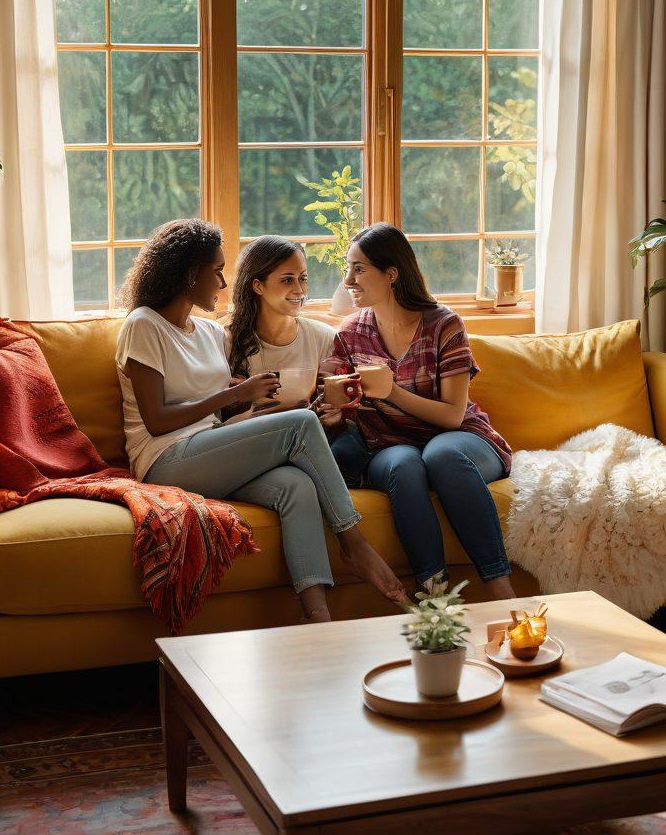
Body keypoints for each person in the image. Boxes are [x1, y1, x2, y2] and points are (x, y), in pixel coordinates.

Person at [114, 218, 406, 623]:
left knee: (297, 485)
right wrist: (236, 394)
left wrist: (260, 406)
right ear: (186, 274)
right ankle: (354, 543)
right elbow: (158, 420)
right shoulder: (144, 324)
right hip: (164, 459)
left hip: (210, 448)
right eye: (215, 271)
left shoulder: (207, 332)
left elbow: (217, 408)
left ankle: (319, 619)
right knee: (302, 424)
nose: (222, 282)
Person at [320, 223, 517, 599]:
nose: (348, 280)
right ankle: (435, 596)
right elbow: (342, 405)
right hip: (388, 446)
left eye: (358, 269)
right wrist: (333, 413)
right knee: (403, 464)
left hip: (459, 442)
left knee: (440, 454)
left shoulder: (444, 325)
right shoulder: (349, 334)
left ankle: (501, 590)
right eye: (348, 268)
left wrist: (391, 391)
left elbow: (452, 416)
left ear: (391, 273)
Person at [224, 236, 338, 414]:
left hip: (303, 436)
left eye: (303, 278)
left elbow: (330, 405)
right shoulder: (225, 340)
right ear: (258, 286)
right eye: (287, 280)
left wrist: (331, 415)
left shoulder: (323, 338)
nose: (300, 290)